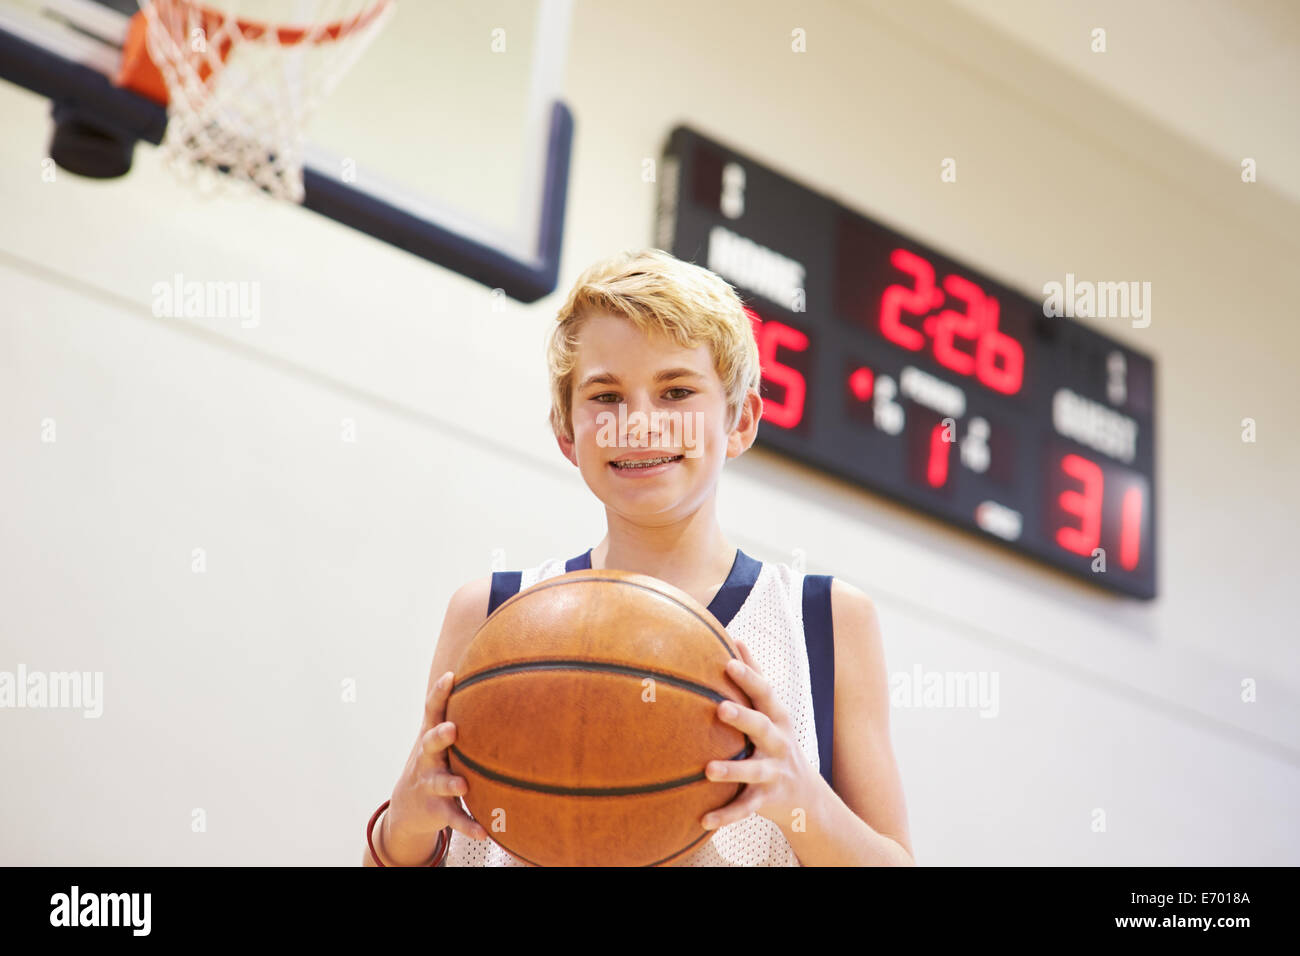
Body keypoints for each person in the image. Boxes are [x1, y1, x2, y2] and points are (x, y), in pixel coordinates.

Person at [363, 248, 914, 866]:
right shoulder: (489, 612)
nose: (640, 425)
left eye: (676, 390)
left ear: (741, 421)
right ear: (566, 433)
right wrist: (404, 824)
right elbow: (420, 840)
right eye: (606, 395)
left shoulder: (826, 620)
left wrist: (799, 794)